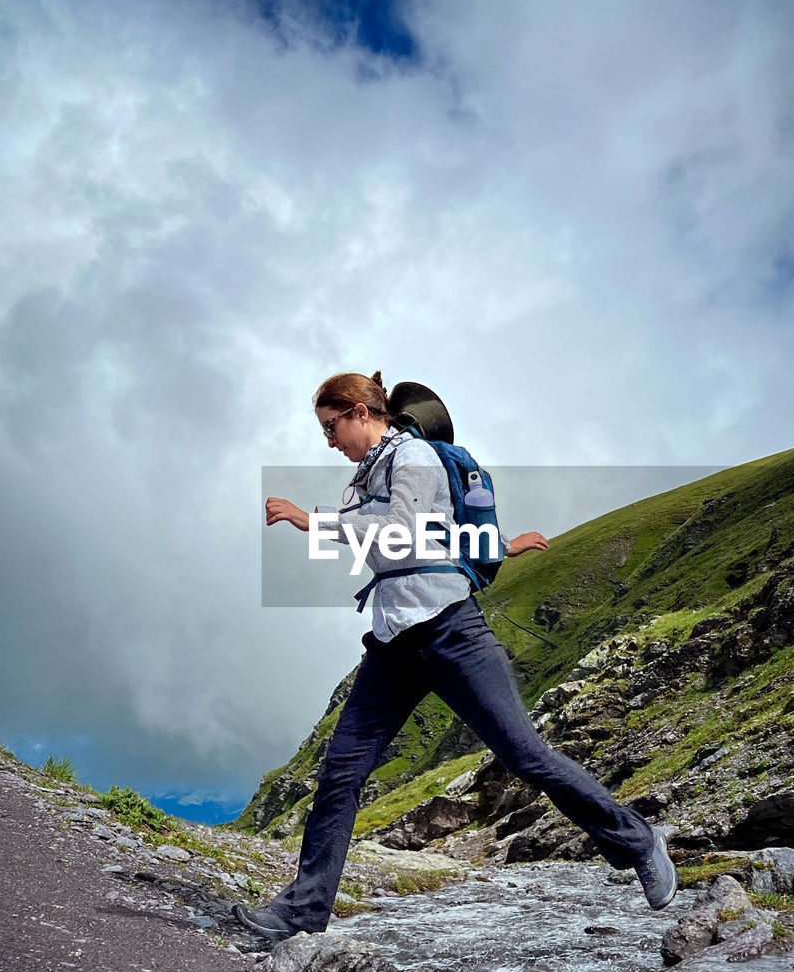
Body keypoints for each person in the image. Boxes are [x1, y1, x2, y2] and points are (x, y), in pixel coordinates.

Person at [233, 371, 676, 943]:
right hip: (393, 641)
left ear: (361, 414)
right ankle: (302, 911)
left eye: (330, 426)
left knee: (524, 755)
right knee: (342, 769)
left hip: (450, 629)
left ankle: (639, 842)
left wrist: (307, 520)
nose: (329, 440)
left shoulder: (414, 456)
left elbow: (398, 531)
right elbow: (422, 539)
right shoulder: (363, 480)